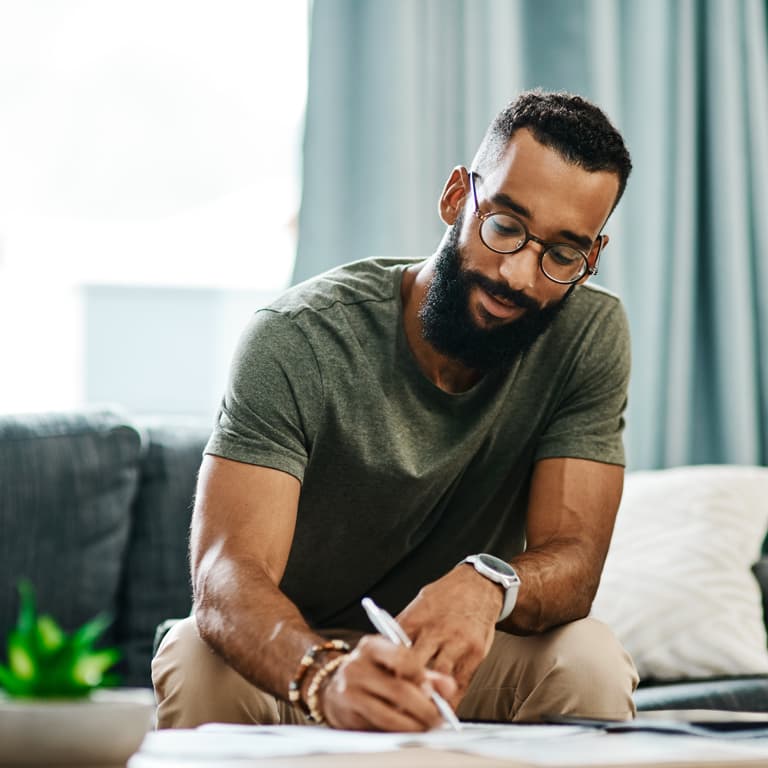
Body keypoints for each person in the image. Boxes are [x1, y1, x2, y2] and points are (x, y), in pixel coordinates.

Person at [153, 89, 639, 732]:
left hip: (450, 663)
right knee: (195, 654)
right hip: (296, 654)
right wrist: (323, 676)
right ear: (456, 198)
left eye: (561, 254)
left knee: (589, 659)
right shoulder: (297, 337)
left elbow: (573, 561)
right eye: (504, 226)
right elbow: (225, 574)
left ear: (592, 257)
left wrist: (488, 582)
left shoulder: (587, 334)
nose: (520, 276)